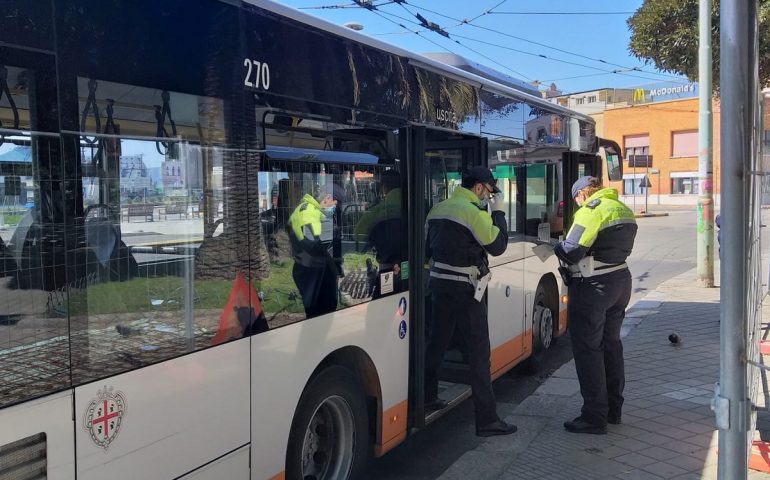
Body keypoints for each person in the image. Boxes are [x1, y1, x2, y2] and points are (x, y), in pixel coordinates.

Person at [423, 166, 517, 437]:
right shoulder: (472, 212)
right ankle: (487, 420)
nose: (489, 197)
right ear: (478, 187)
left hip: (439, 286)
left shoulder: (438, 208)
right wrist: (499, 213)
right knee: (479, 355)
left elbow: (428, 248)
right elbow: (497, 246)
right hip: (466, 290)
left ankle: (428, 397)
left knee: (436, 344)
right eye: (489, 192)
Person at [555, 176, 637, 435]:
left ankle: (593, 416)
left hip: (592, 286)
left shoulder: (590, 211)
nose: (577, 203)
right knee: (611, 345)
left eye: (576, 199)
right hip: (620, 281)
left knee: (588, 349)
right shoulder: (623, 208)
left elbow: (571, 251)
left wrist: (556, 246)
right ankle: (614, 410)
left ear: (581, 194)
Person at [287, 191, 340, 317]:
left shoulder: (307, 209)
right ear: (326, 200)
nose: (333, 208)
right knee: (322, 313)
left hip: (305, 265)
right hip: (312, 269)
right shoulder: (309, 213)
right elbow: (317, 245)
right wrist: (333, 270)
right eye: (333, 204)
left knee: (315, 314)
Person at [353, 170, 402, 298]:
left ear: (383, 187)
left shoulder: (378, 211)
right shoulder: (416, 206)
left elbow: (357, 235)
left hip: (388, 269)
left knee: (379, 309)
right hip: (412, 269)